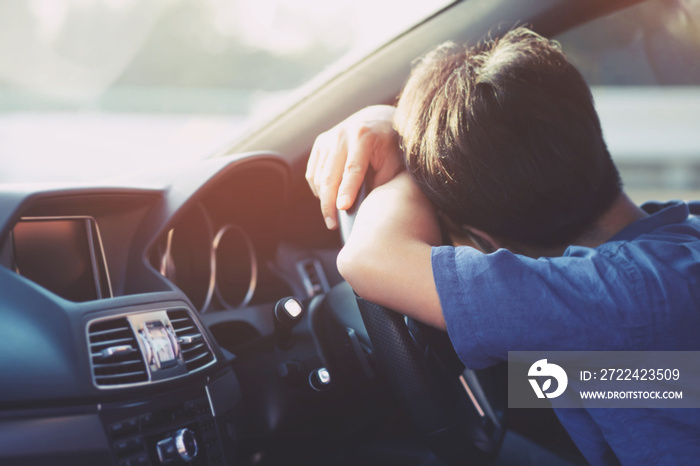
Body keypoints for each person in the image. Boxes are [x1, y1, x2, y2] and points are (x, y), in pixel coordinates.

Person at [306, 27, 700, 465]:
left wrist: (403, 145)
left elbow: (370, 259)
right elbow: (640, 379)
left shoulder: (611, 297)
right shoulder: (676, 248)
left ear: (486, 241)